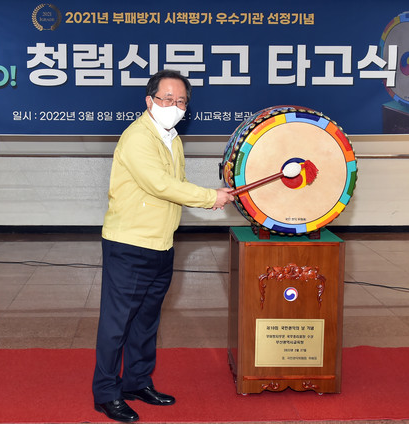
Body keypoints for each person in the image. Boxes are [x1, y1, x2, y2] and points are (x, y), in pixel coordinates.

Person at [92, 69, 234, 423]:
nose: (173, 105)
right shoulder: (138, 137)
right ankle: (106, 393)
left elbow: (177, 181)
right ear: (149, 101)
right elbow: (159, 184)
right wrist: (209, 198)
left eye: (181, 100)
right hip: (129, 244)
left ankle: (136, 382)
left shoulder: (171, 138)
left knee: (146, 321)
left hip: (161, 244)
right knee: (117, 323)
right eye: (166, 99)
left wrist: (214, 194)